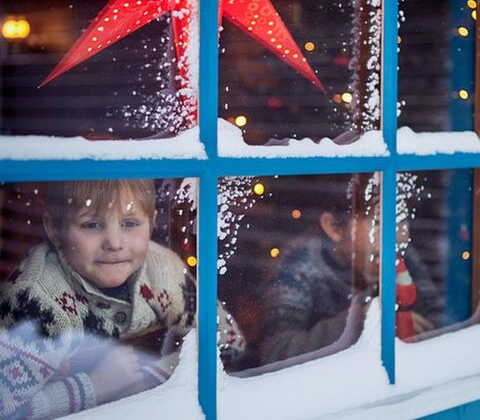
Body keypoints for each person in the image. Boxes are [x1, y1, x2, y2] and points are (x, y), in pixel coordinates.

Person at [0, 179, 244, 420]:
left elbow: (229, 339)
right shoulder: (33, 300)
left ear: (152, 223)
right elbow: (6, 409)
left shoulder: (163, 270)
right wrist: (94, 387)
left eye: (130, 223)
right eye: (92, 224)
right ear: (54, 229)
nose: (115, 243)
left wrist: (152, 376)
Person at [260, 174, 442, 366]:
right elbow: (275, 352)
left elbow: (438, 315)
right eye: (378, 223)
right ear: (333, 227)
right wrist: (360, 320)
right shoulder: (297, 265)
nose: (400, 235)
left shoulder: (396, 250)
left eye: (401, 219)